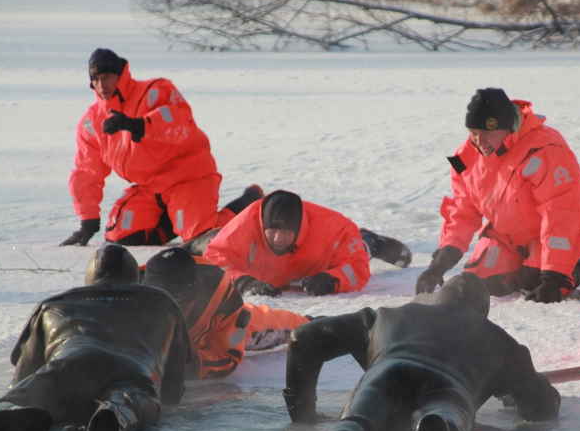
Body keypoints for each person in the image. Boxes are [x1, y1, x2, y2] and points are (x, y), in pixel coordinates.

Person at [282, 273, 561, 431]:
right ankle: (439, 424)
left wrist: (302, 411)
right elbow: (542, 408)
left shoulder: (386, 316)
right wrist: (514, 388)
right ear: (482, 314)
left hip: (388, 372)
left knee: (358, 421)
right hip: (450, 385)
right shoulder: (500, 343)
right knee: (447, 412)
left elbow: (303, 338)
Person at [0, 245, 196, 431]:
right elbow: (174, 386)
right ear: (134, 276)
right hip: (131, 370)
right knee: (133, 398)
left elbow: (23, 374)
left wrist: (25, 393)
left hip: (68, 363)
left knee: (31, 392)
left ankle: (8, 410)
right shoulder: (162, 302)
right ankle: (116, 414)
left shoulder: (53, 304)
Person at [61, 47, 263, 247]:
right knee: (121, 237)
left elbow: (180, 122)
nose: (101, 84)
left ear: (119, 75)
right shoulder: (91, 122)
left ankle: (248, 205)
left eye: (106, 77)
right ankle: (175, 219)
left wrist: (138, 125)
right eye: (95, 80)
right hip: (150, 186)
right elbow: (86, 171)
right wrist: (88, 219)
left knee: (201, 239)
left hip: (188, 177)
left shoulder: (155, 91)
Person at [416, 87, 580, 301]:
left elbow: (560, 213)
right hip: (506, 233)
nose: (479, 141)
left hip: (558, 231)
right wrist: (440, 263)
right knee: (483, 283)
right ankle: (535, 266)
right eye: (474, 132)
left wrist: (554, 275)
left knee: (535, 283)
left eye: (488, 133)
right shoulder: (462, 158)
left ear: (508, 128)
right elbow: (462, 210)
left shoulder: (545, 149)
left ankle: (573, 267)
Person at [143, 246, 312, 379]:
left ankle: (311, 323)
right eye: (157, 298)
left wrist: (193, 364)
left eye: (173, 299)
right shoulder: (128, 288)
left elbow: (228, 357)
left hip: (224, 331)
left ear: (191, 294)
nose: (165, 306)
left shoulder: (222, 298)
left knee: (282, 325)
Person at [203, 189, 412, 297]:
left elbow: (356, 268)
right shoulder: (245, 224)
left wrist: (333, 279)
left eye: (285, 232)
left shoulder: (334, 228)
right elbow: (214, 259)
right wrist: (243, 282)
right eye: (272, 231)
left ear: (298, 229)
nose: (277, 238)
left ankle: (370, 242)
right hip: (270, 274)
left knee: (360, 250)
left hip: (321, 263)